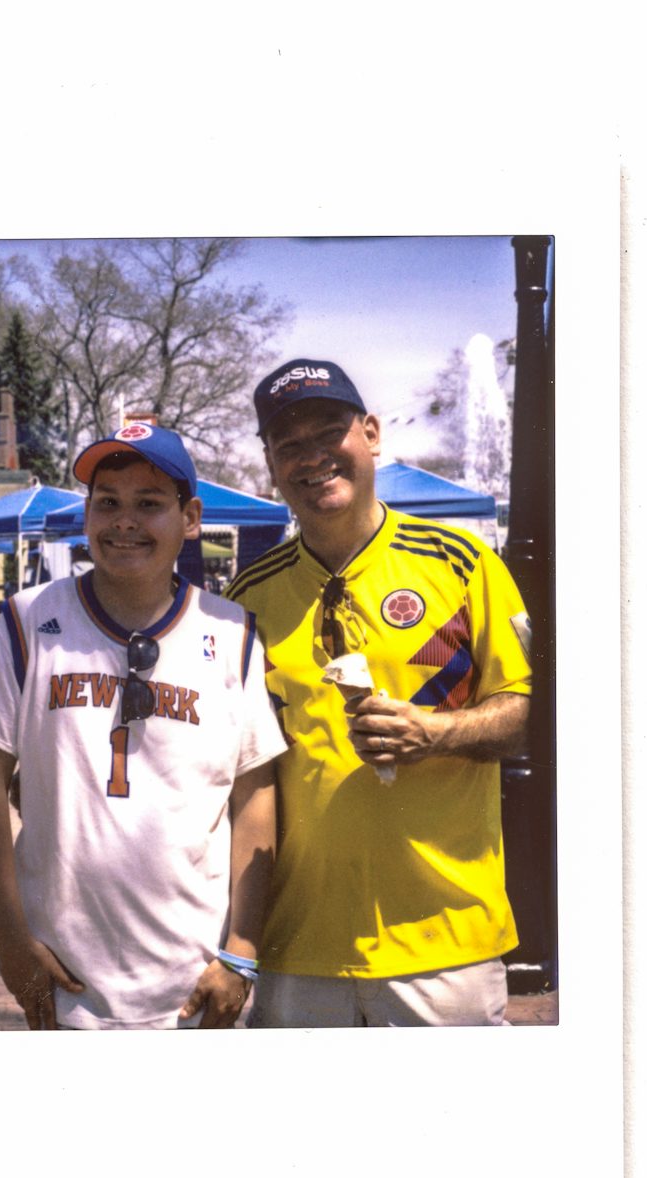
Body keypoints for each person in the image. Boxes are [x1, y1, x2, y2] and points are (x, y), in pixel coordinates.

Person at [227, 358, 533, 1028]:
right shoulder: (247, 597)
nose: (312, 457)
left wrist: (435, 733)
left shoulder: (461, 564)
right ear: (271, 464)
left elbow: (532, 716)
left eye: (328, 433)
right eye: (288, 444)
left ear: (370, 433)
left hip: (446, 941)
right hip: (297, 946)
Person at [0, 423, 287, 1030]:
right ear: (86, 515)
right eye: (107, 502)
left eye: (149, 503)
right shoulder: (29, 621)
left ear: (190, 518)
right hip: (65, 974)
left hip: (194, 977)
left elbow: (255, 791)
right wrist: (8, 936)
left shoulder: (232, 633)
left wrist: (242, 950)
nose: (124, 522)